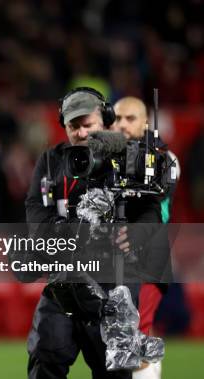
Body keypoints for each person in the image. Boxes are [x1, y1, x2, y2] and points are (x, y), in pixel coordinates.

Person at [24, 87, 162, 379]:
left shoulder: (127, 158)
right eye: (74, 126)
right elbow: (35, 211)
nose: (82, 133)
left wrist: (135, 234)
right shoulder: (51, 161)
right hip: (65, 279)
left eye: (89, 124)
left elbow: (151, 210)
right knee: (46, 354)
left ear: (106, 121)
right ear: (64, 126)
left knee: (112, 367)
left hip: (116, 279)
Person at [112, 96, 179, 379]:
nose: (123, 125)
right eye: (117, 119)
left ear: (146, 123)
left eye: (131, 118)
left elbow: (160, 212)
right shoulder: (106, 158)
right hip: (113, 260)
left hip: (147, 260)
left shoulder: (165, 159)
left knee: (134, 335)